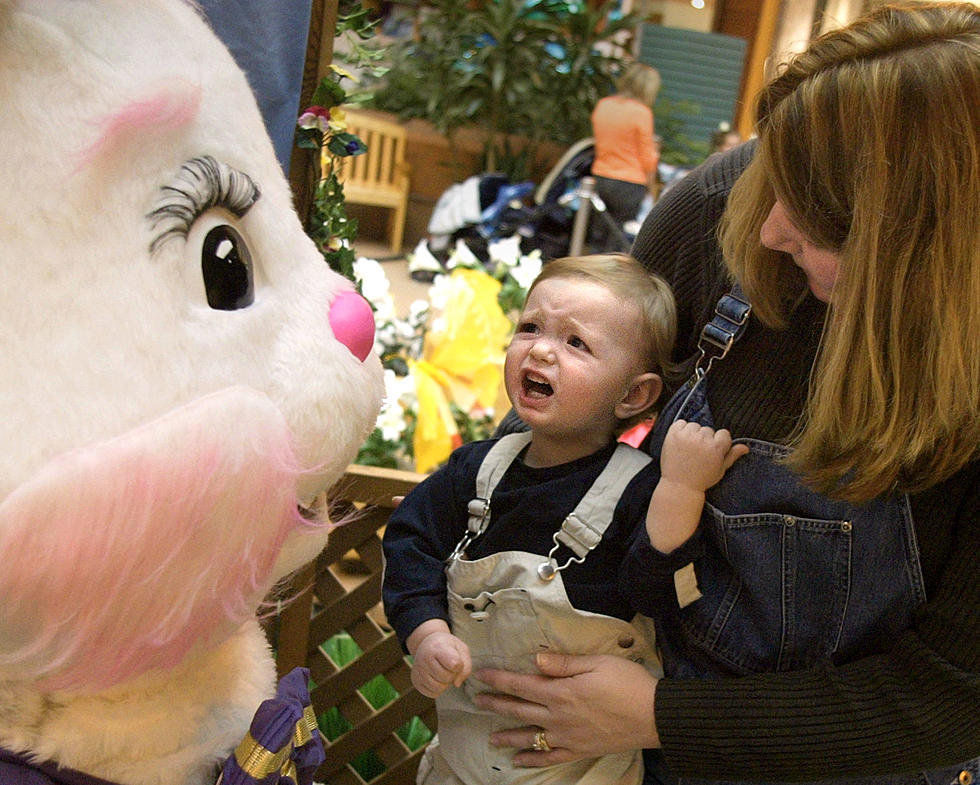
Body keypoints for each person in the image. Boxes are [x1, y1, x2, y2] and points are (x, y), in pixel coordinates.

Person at [471, 4, 980, 785]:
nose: (771, 229)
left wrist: (659, 715)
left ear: (924, 254)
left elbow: (953, 694)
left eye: (816, 218)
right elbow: (553, 439)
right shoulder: (723, 204)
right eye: (774, 182)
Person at [382, 253, 745, 785]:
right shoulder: (477, 471)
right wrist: (427, 633)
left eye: (576, 343)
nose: (542, 349)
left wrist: (682, 489)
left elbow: (662, 595)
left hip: (580, 769)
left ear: (633, 395)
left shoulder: (636, 489)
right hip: (461, 762)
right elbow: (409, 545)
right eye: (530, 327)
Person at [590, 63, 661, 250]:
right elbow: (647, 156)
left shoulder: (604, 105)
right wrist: (651, 186)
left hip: (602, 175)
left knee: (598, 234)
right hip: (630, 182)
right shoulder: (641, 113)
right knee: (617, 238)